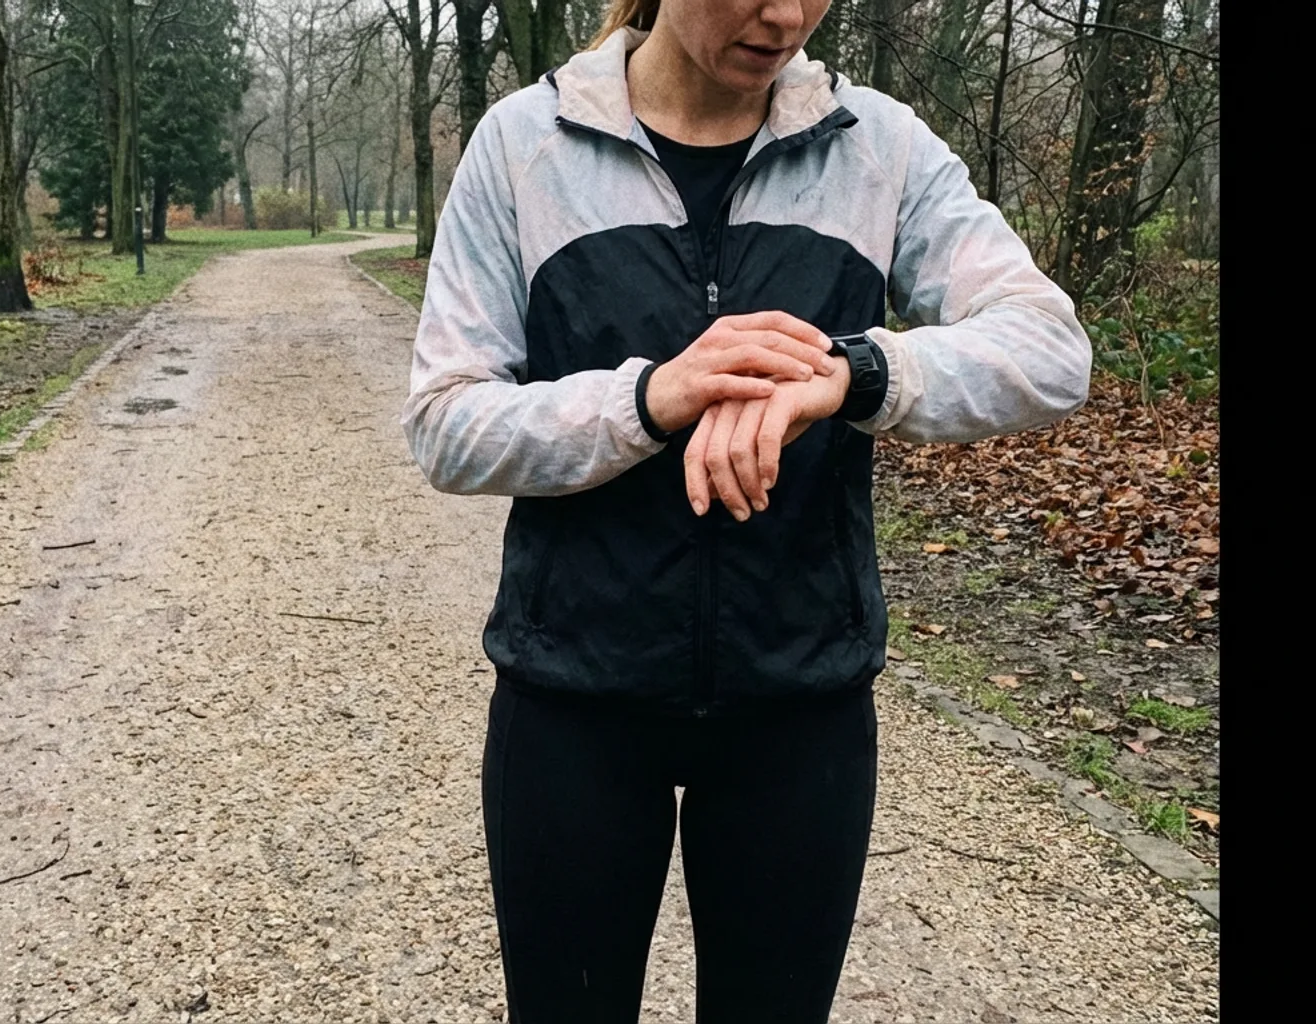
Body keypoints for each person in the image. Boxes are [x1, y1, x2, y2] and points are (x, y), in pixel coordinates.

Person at [401, 0, 1091, 1019]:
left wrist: (852, 372)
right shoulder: (524, 145)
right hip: (574, 703)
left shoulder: (879, 147)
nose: (785, 15)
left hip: (798, 707)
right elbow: (447, 424)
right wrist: (646, 400)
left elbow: (1050, 350)